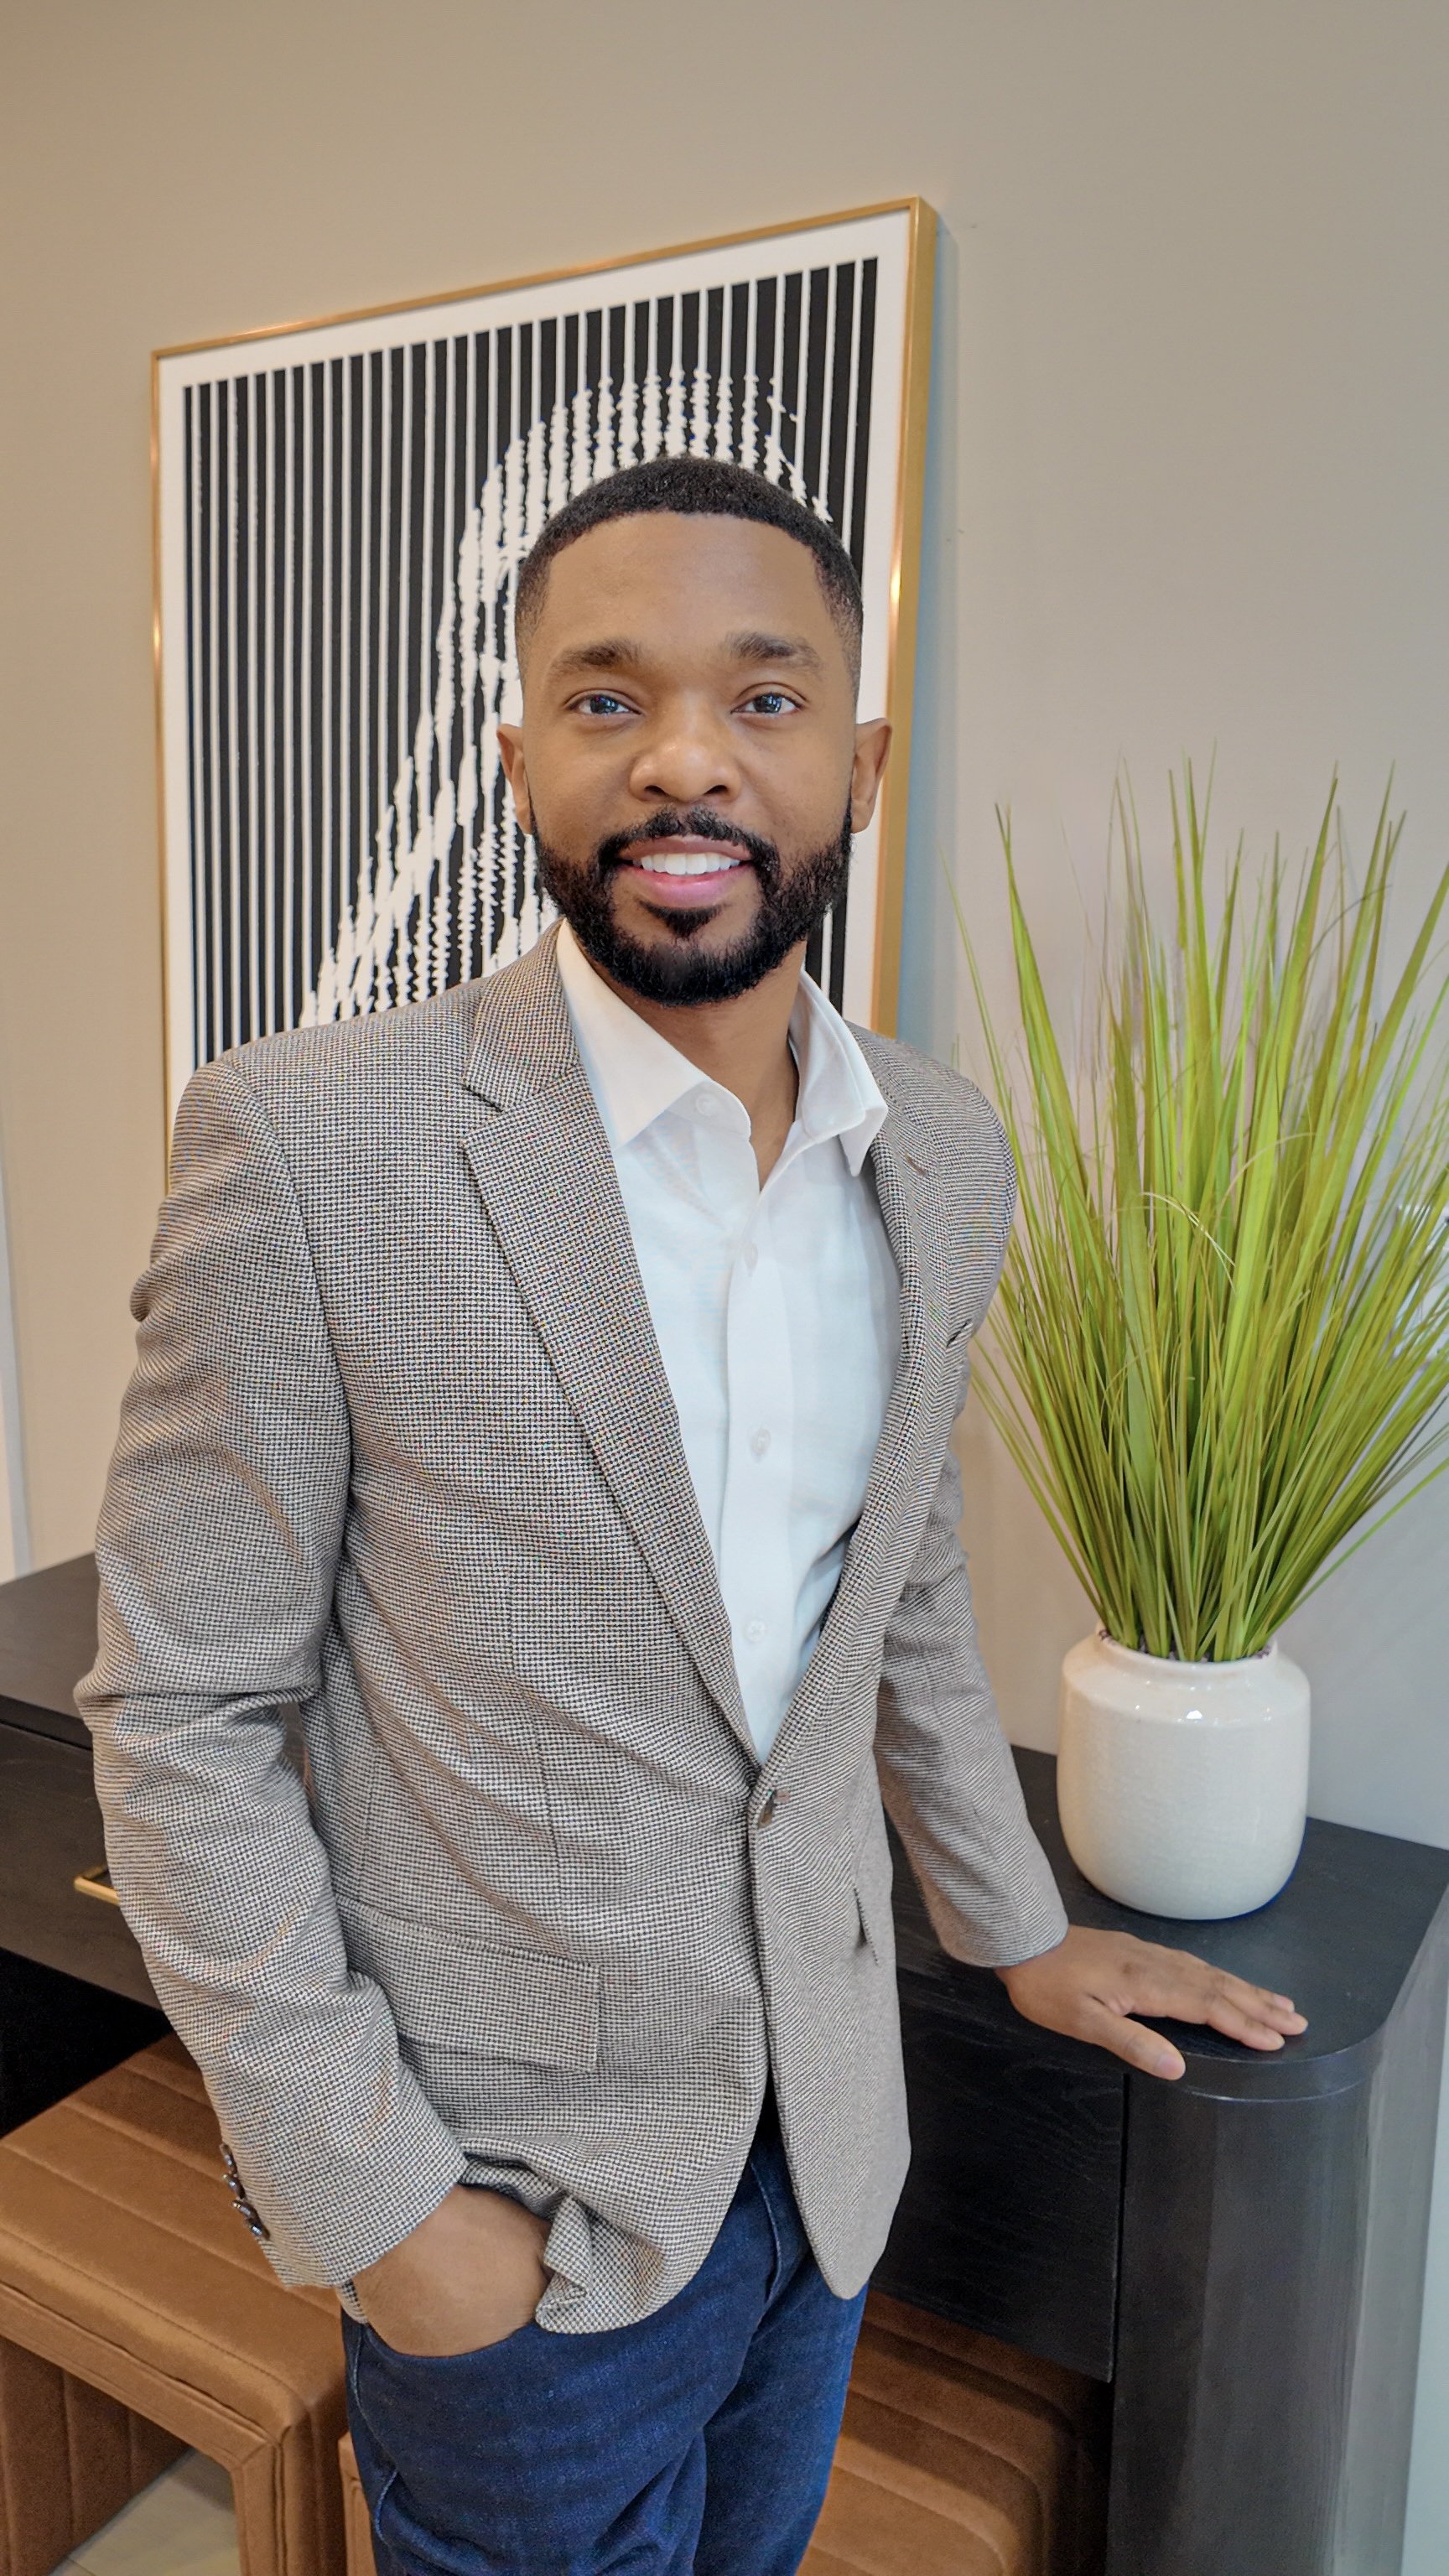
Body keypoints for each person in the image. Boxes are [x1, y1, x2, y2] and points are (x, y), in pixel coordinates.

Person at [77, 454, 1305, 2576]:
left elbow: (897, 1574)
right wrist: (385, 2210)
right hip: (508, 2220)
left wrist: (1009, 1926)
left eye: (761, 698)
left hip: (822, 2164)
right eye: (606, 697)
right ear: (523, 752)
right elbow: (179, 1717)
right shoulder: (310, 1147)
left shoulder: (935, 1148)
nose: (685, 766)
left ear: (858, 754)